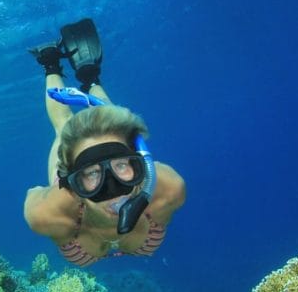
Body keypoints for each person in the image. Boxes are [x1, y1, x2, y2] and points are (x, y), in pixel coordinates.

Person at [24, 18, 186, 267]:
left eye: (122, 165)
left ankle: (89, 78)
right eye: (90, 173)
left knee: (109, 117)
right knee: (63, 125)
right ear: (71, 182)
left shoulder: (169, 191)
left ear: (141, 165)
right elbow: (33, 195)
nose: (112, 189)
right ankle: (51, 62)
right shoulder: (48, 215)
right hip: (67, 194)